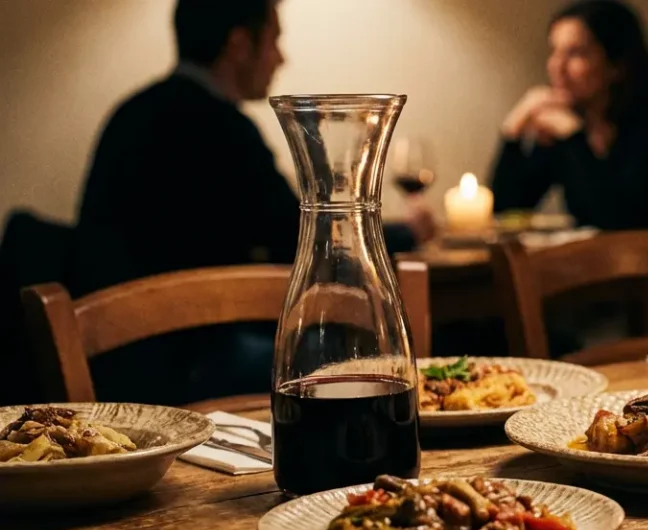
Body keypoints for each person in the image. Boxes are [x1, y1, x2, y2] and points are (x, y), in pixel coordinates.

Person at [69, 0, 435, 404]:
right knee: (342, 354)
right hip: (191, 367)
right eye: (274, 40)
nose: (281, 56)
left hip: (115, 367)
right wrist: (402, 233)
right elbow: (305, 243)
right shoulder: (223, 130)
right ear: (240, 44)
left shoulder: (129, 114)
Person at [489, 0, 648, 334]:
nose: (557, 67)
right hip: (597, 295)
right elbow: (505, 205)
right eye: (555, 52)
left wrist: (574, 138)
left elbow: (618, 219)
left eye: (576, 54)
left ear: (616, 65)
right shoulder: (567, 129)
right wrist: (512, 131)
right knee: (489, 325)